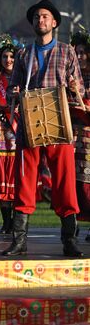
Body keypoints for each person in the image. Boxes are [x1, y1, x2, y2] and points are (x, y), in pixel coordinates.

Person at [3, 0, 84, 257]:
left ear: (54, 22)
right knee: (25, 179)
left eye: (45, 17)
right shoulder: (24, 54)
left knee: (64, 181)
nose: (41, 21)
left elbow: (79, 89)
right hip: (30, 121)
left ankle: (69, 240)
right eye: (37, 17)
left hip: (58, 122)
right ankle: (19, 239)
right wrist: (13, 92)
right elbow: (10, 89)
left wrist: (74, 89)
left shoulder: (66, 51)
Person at [0, 34, 23, 235]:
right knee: (1, 170)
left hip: (17, 127)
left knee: (16, 171)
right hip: (0, 128)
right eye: (4, 56)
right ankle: (6, 221)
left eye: (12, 56)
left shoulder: (24, 79)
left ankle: (17, 221)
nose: (8, 60)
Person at [70, 28, 90, 242]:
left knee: (88, 183)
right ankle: (71, 222)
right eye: (76, 53)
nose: (80, 56)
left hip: (88, 134)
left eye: (83, 52)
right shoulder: (72, 77)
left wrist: (82, 104)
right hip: (73, 133)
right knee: (72, 181)